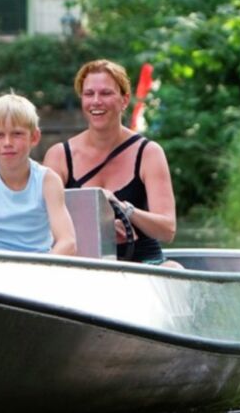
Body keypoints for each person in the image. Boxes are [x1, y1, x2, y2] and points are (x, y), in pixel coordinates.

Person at [42, 59, 177, 263]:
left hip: (143, 264)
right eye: (89, 94)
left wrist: (126, 211)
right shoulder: (59, 156)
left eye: (106, 93)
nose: (96, 101)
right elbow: (40, 222)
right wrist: (98, 226)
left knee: (174, 268)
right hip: (82, 266)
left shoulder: (149, 153)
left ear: (124, 100)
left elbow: (167, 230)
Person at [0, 94, 76, 255]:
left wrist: (39, 270)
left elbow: (67, 242)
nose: (7, 143)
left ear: (34, 137)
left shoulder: (48, 181)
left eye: (17, 134)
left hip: (38, 266)